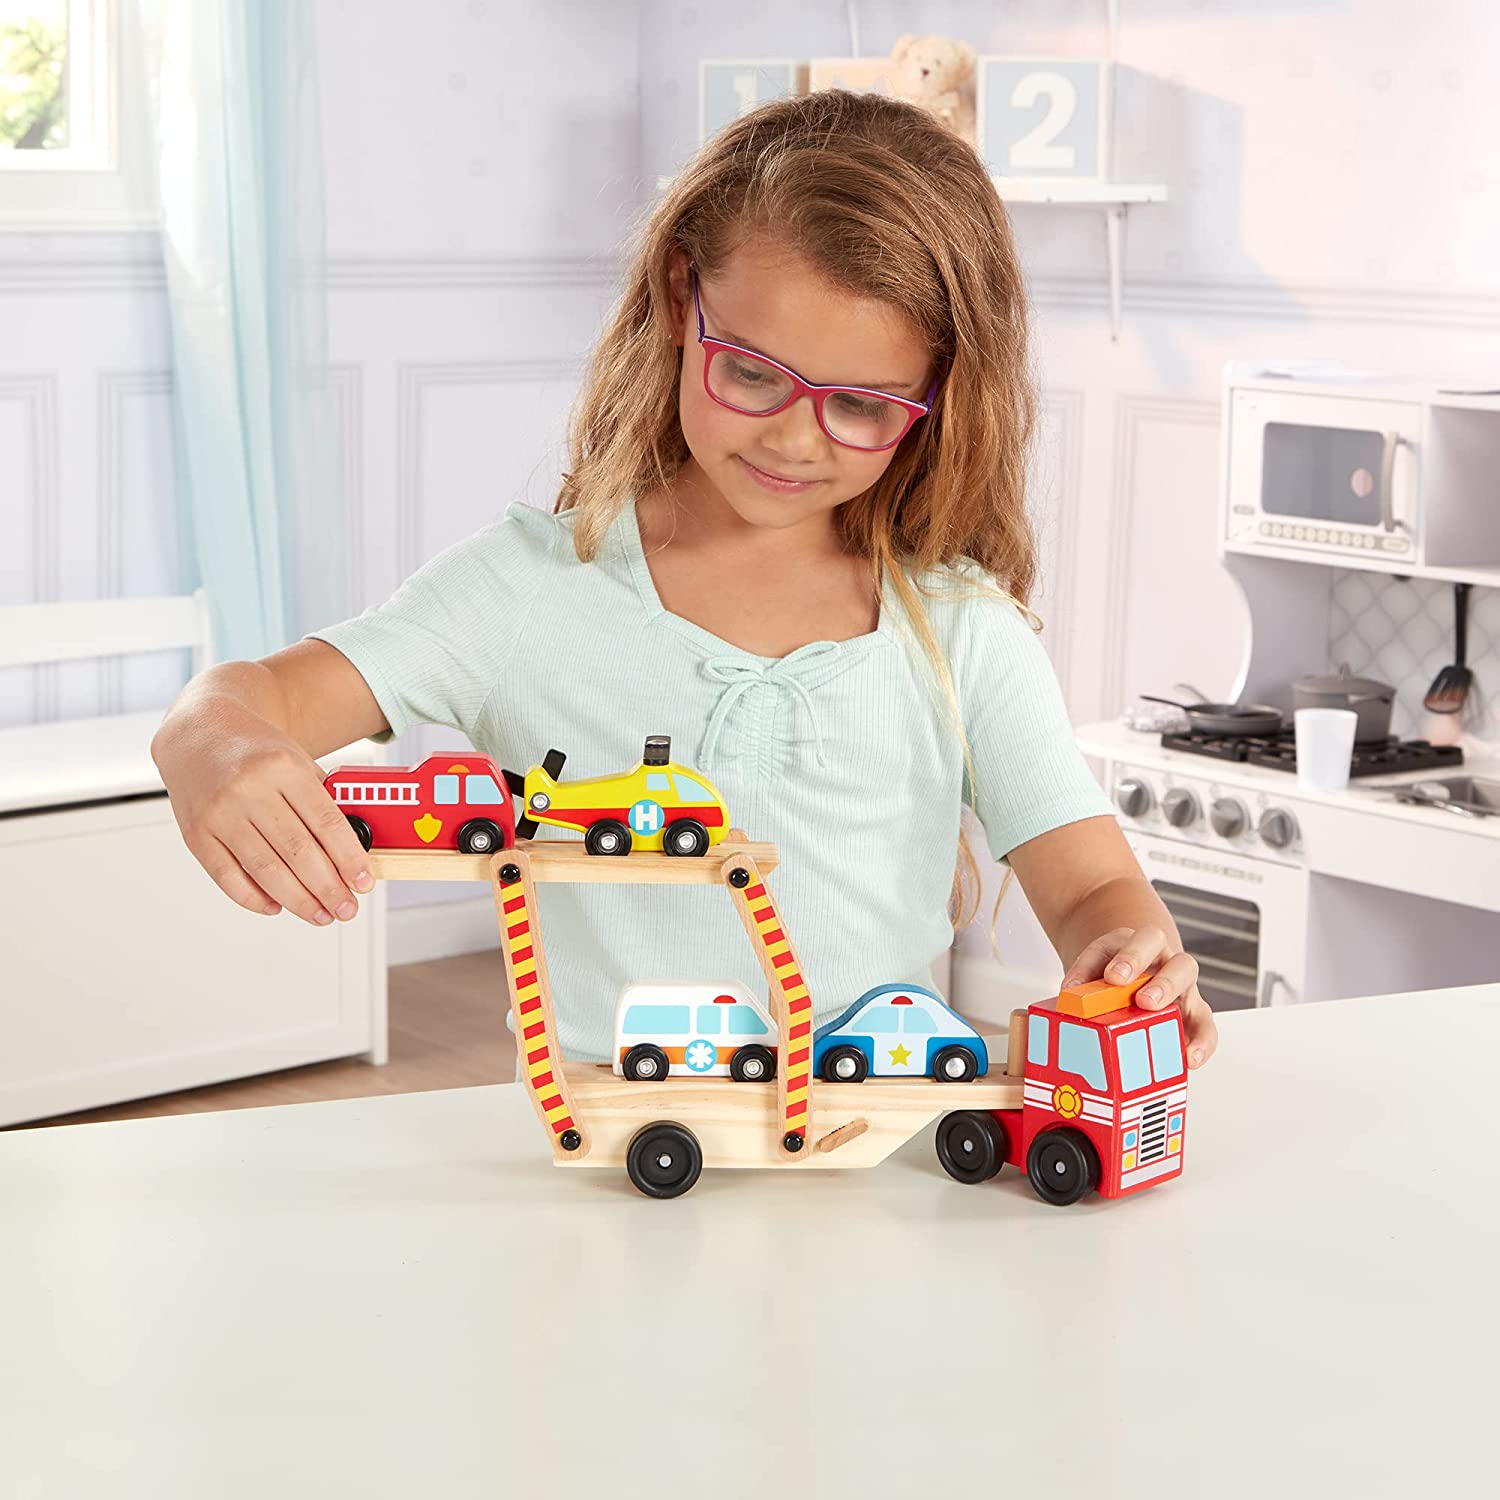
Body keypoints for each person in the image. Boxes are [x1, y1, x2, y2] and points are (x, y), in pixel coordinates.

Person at [151, 89, 1217, 1071]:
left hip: (872, 1179)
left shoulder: (958, 627)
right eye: (752, 373)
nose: (797, 439)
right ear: (680, 296)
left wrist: (1134, 958)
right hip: (616, 1169)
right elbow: (253, 700)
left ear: (940, 392)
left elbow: (1093, 889)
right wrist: (214, 743)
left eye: (862, 406)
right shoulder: (528, 591)